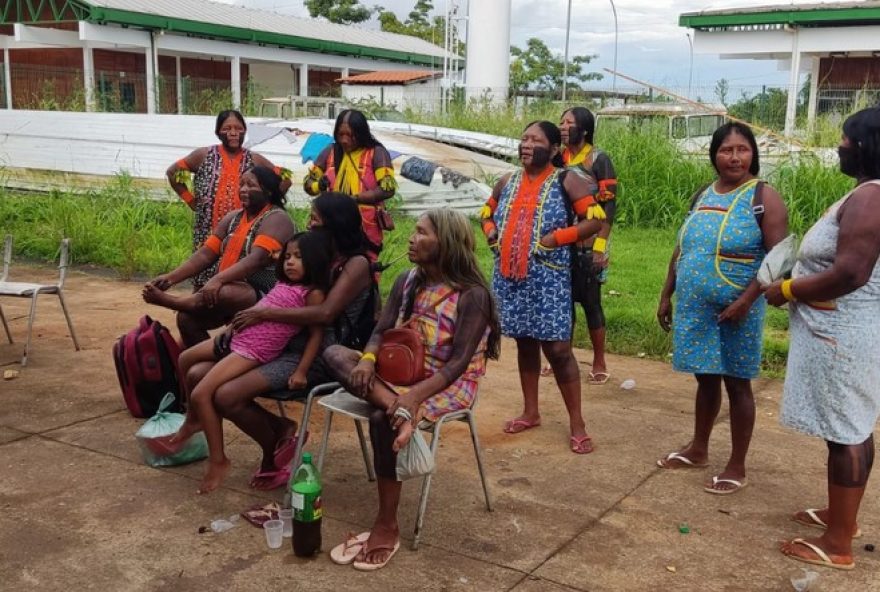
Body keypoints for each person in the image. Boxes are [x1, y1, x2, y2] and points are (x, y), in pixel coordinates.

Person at [323, 208, 501, 570]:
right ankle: (400, 412)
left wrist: (416, 396)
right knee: (337, 355)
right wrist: (368, 361)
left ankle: (386, 525)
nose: (411, 237)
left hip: (447, 383)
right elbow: (379, 333)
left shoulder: (473, 296)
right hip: (398, 378)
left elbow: (457, 365)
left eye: (421, 233)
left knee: (378, 416)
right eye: (414, 231)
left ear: (446, 243)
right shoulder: (407, 280)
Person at [183, 192, 374, 491]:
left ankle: (272, 451)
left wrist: (264, 314)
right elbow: (282, 291)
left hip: (317, 354)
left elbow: (324, 314)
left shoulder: (356, 264)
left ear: (334, 223)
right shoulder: (317, 255)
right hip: (278, 341)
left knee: (226, 395)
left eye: (315, 218)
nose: (309, 223)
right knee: (195, 374)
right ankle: (280, 436)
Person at [765, 107, 880, 570]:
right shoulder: (866, 195)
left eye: (845, 139)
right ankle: (842, 517)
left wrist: (787, 289)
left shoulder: (871, 198)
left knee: (846, 433)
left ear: (867, 146)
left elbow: (851, 271)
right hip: (842, 333)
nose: (839, 146)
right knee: (852, 427)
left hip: (842, 337)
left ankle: (838, 545)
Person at [656, 122, 787, 494]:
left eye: (742, 150)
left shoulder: (764, 196)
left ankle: (737, 464)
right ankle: (698, 448)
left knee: (737, 381)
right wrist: (668, 292)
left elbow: (778, 258)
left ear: (753, 154)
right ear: (714, 154)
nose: (734, 157)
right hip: (695, 304)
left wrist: (746, 301)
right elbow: (684, 247)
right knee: (705, 376)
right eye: (727, 150)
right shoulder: (703, 194)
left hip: (738, 306)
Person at [169, 231, 331, 493]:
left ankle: (218, 459)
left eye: (299, 258)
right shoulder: (283, 283)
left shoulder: (312, 293)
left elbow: (316, 334)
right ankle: (193, 419)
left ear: (315, 261)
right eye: (287, 256)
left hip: (254, 350)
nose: (290, 262)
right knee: (186, 357)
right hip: (239, 338)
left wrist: (301, 370)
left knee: (202, 394)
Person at [481, 120, 605, 454]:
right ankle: (530, 411)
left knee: (559, 350)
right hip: (510, 278)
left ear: (552, 148)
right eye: (523, 138)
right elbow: (485, 213)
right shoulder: (506, 181)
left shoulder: (568, 181)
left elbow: (595, 220)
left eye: (535, 140)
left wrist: (557, 238)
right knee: (524, 342)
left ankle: (577, 423)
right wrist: (492, 235)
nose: (526, 144)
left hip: (548, 279)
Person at [144, 166, 296, 347]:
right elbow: (206, 254)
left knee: (224, 292)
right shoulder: (233, 218)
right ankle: (209, 362)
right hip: (229, 285)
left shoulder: (277, 218)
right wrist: (170, 278)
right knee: (187, 320)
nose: (244, 189)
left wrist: (217, 280)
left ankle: (173, 302)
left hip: (263, 292)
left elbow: (257, 259)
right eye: (241, 185)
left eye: (251, 185)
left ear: (268, 190)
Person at [166, 109, 292, 289]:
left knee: (236, 278)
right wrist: (191, 201)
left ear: (244, 131)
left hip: (243, 227)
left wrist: (269, 201)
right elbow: (173, 172)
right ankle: (199, 308)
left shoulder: (253, 158)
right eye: (227, 128)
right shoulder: (203, 155)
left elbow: (285, 178)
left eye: (238, 128)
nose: (233, 132)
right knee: (203, 269)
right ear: (218, 132)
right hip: (208, 229)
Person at [542, 107, 619, 383]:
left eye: (569, 123)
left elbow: (609, 205)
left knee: (591, 302)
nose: (562, 127)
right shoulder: (558, 158)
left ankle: (599, 360)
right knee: (563, 302)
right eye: (561, 122)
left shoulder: (598, 159)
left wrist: (600, 245)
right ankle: (564, 356)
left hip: (589, 242)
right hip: (563, 241)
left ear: (584, 129)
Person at [302, 109, 397, 264]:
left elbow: (388, 189)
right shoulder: (329, 152)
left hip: (365, 226)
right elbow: (307, 184)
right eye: (341, 135)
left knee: (364, 265)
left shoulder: (377, 153)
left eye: (350, 135)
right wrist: (319, 185)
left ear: (361, 133)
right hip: (330, 223)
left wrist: (353, 199)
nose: (345, 140)